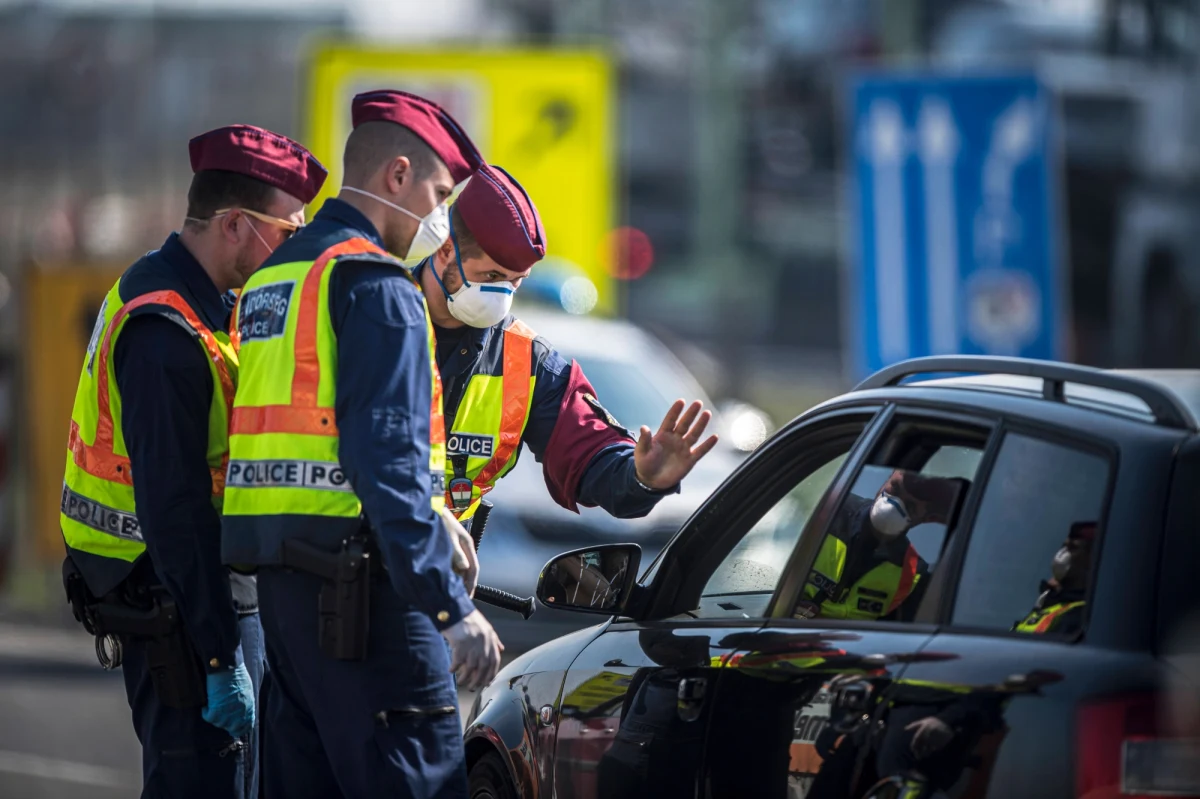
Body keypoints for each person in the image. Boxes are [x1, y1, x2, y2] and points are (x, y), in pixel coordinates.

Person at [220, 89, 502, 799]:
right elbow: (387, 462)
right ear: (396, 176)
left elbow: (306, 439)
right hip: (367, 606)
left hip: (284, 602)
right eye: (440, 193)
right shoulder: (377, 284)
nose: (440, 217)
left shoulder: (276, 278)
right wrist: (450, 607)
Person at [60, 124, 326, 798]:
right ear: (236, 224)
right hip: (173, 601)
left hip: (186, 591)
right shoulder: (166, 333)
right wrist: (217, 656)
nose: (294, 245)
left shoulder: (208, 302)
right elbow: (174, 509)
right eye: (288, 230)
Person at [412, 163, 718, 530]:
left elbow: (587, 450)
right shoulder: (371, 317)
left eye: (515, 283)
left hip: (434, 575)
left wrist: (641, 477)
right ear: (445, 249)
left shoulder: (525, 360)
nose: (500, 297)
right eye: (490, 277)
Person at [795, 470, 967, 622]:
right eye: (895, 489)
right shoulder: (825, 514)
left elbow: (888, 643)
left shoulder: (911, 576)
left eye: (910, 506)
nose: (892, 505)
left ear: (930, 518)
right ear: (889, 476)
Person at [1012, 521, 1095, 635]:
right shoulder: (1047, 602)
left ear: (1090, 559)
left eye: (1073, 548)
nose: (1061, 554)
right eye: (1063, 546)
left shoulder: (1077, 615)